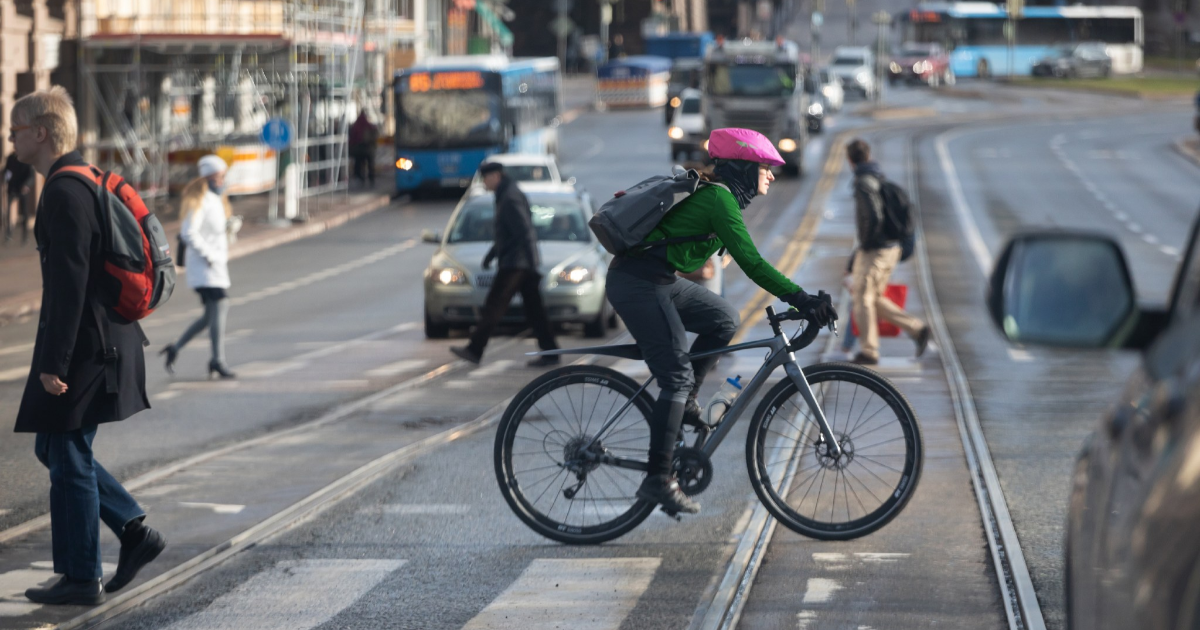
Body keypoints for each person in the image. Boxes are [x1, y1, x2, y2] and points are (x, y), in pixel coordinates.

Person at [607, 128, 837, 515]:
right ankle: (658, 480)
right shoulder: (719, 199)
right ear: (745, 168)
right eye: (766, 167)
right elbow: (753, 263)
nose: (772, 174)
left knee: (724, 317)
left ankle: (689, 399)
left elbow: (709, 256)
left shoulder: (721, 199)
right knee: (675, 377)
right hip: (639, 284)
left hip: (658, 280)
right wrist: (800, 297)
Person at [11, 86, 166, 606]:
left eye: (15, 129)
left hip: (90, 346)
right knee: (55, 446)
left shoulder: (63, 191)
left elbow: (69, 282)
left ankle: (82, 575)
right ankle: (130, 530)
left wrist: (53, 364)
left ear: (40, 132)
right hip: (102, 338)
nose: (9, 137)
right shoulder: (80, 180)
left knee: (67, 450)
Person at [451, 162, 560, 367]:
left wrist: (531, 263)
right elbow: (509, 233)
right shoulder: (506, 194)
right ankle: (551, 351)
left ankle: (475, 349)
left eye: (486, 178)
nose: (484, 183)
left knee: (494, 306)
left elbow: (524, 231)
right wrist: (492, 254)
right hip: (518, 261)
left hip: (516, 264)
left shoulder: (509, 197)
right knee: (535, 310)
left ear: (496, 176)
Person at [846, 138, 930, 366]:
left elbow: (873, 217)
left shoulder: (863, 182)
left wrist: (865, 244)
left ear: (849, 159)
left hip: (876, 250)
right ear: (868, 155)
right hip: (890, 248)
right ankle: (918, 329)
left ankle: (869, 351)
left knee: (862, 298)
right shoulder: (876, 176)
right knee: (874, 299)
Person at [160, 155, 237, 379]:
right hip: (204, 267)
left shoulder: (216, 199)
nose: (223, 180)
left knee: (209, 316)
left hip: (215, 265)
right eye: (220, 176)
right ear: (210, 176)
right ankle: (217, 360)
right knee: (221, 304)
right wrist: (209, 254)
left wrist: (230, 230)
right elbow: (188, 232)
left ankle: (175, 349)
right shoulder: (200, 200)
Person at [4, 151, 34, 244]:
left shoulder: (27, 158)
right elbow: (7, 170)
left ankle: (25, 236)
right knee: (8, 212)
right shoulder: (10, 157)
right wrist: (4, 179)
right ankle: (8, 234)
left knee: (24, 213)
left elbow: (31, 175)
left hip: (22, 188)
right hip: (12, 188)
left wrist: (26, 185)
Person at [349, 112, 379, 189]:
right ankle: (371, 179)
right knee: (370, 165)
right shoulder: (369, 126)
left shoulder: (356, 126)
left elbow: (352, 139)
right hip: (368, 150)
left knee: (358, 164)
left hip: (358, 150)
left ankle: (360, 179)